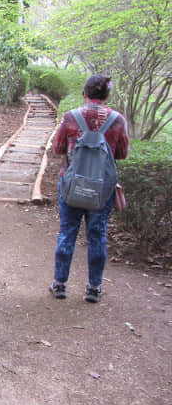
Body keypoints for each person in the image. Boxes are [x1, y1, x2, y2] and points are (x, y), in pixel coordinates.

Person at [50, 74, 130, 303]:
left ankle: (60, 285)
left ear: (84, 94)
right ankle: (93, 288)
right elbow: (122, 154)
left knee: (67, 232)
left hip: (71, 183)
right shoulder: (117, 120)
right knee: (97, 235)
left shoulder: (71, 117)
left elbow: (58, 148)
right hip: (102, 187)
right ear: (107, 95)